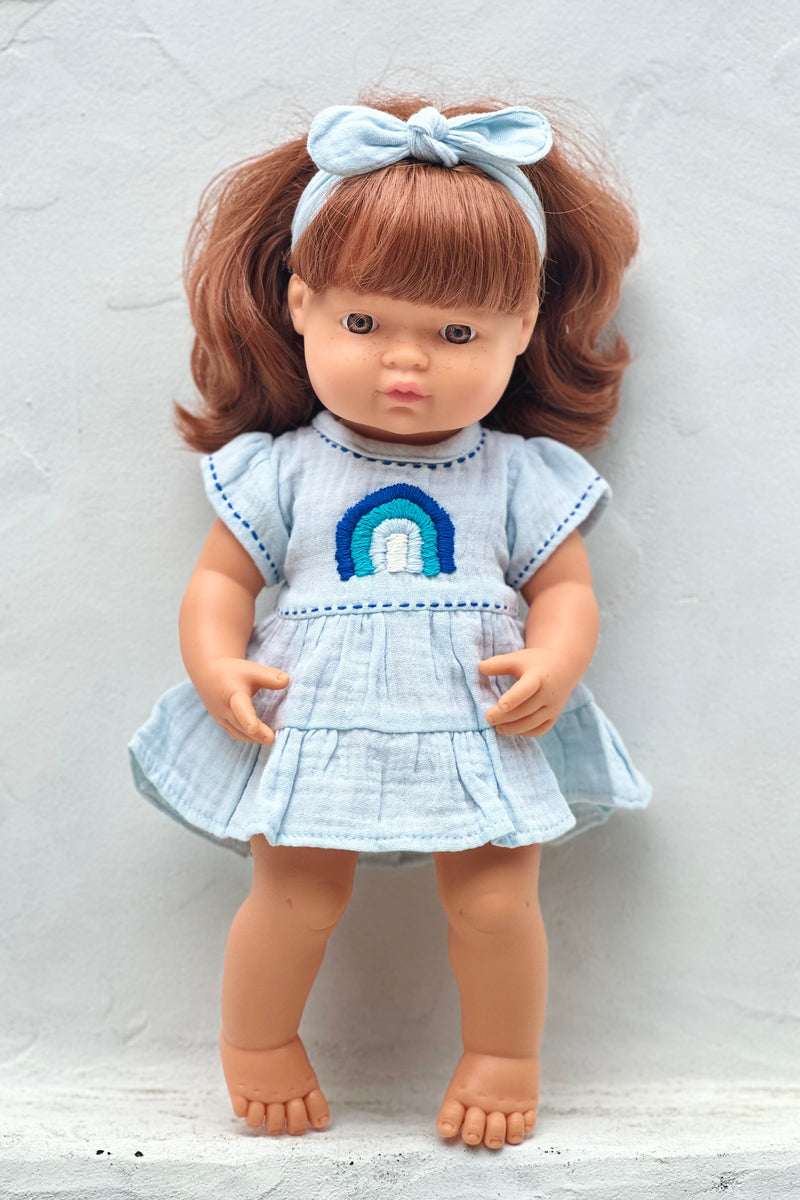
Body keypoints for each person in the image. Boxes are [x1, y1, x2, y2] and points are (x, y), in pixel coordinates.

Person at [129, 97, 651, 1150]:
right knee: (296, 896)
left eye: (456, 334)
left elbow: (565, 590)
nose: (404, 365)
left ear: (520, 330)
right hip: (315, 714)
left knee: (496, 901)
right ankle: (257, 1044)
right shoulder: (283, 469)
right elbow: (220, 582)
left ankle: (503, 1056)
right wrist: (217, 664)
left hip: (477, 719)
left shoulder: (517, 474)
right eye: (363, 325)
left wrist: (555, 659)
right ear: (302, 304)